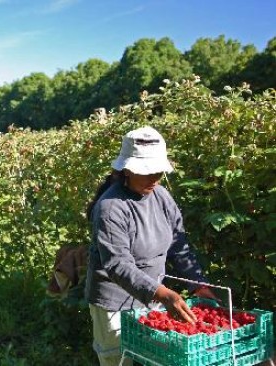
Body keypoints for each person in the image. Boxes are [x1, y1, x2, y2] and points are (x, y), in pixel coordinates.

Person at [84, 126, 218, 366]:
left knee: (152, 357)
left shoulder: (161, 196)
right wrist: (162, 294)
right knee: (118, 359)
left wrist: (198, 284)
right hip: (114, 302)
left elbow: (178, 242)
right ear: (126, 170)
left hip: (151, 294)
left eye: (158, 171)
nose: (154, 178)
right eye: (146, 172)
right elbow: (117, 264)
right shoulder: (111, 207)